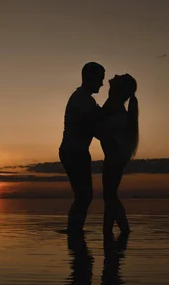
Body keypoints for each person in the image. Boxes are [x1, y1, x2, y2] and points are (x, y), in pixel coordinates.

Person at [59, 62, 105, 234]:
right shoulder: (82, 100)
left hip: (77, 151)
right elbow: (94, 128)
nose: (101, 84)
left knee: (84, 196)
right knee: (84, 196)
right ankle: (74, 232)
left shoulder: (86, 100)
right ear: (90, 78)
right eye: (100, 79)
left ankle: (75, 232)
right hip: (74, 152)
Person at [96, 74, 138, 235]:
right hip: (114, 158)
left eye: (118, 78)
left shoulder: (117, 113)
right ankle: (108, 231)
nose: (114, 76)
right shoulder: (113, 108)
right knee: (109, 196)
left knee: (110, 196)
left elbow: (100, 130)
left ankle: (123, 230)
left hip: (115, 158)